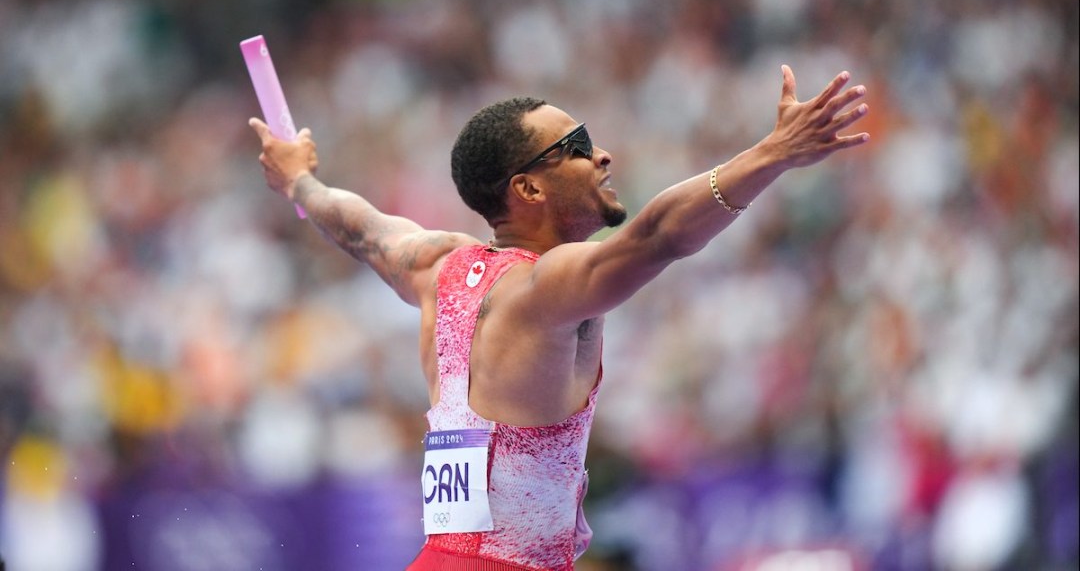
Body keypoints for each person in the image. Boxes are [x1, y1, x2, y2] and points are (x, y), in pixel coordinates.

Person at [249, 64, 869, 571]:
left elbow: (358, 228)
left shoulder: (436, 268)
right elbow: (659, 236)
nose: (602, 155)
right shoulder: (544, 288)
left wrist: (300, 180)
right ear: (529, 189)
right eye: (575, 148)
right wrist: (773, 153)